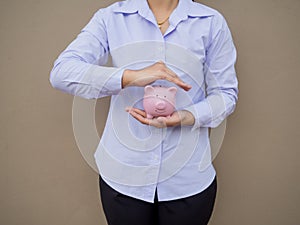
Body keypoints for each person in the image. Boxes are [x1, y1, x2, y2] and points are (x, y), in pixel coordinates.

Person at [50, 0, 238, 224]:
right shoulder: (111, 17)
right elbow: (61, 72)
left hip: (188, 179)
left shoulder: (211, 22)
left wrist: (187, 117)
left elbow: (226, 94)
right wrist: (130, 77)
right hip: (123, 179)